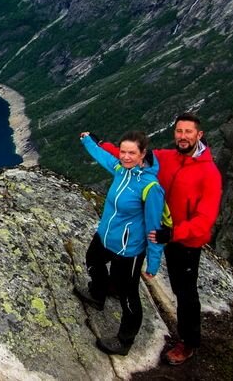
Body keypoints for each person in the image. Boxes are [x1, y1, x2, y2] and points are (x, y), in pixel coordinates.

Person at [97, 113, 223, 366]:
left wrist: (174, 233)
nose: (183, 136)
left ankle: (188, 342)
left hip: (184, 242)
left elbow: (205, 219)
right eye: (179, 131)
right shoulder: (166, 157)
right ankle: (114, 286)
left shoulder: (209, 173)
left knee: (184, 292)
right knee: (127, 264)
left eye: (188, 132)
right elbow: (130, 156)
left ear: (200, 135)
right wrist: (101, 145)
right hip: (153, 228)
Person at [73, 130, 166, 356]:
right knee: (92, 260)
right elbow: (103, 156)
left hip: (129, 249)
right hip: (106, 236)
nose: (125, 157)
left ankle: (124, 341)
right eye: (123, 151)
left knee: (128, 294)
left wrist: (152, 264)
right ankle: (97, 293)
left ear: (143, 154)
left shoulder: (150, 187)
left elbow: (155, 229)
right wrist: (87, 140)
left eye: (131, 153)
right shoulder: (120, 170)